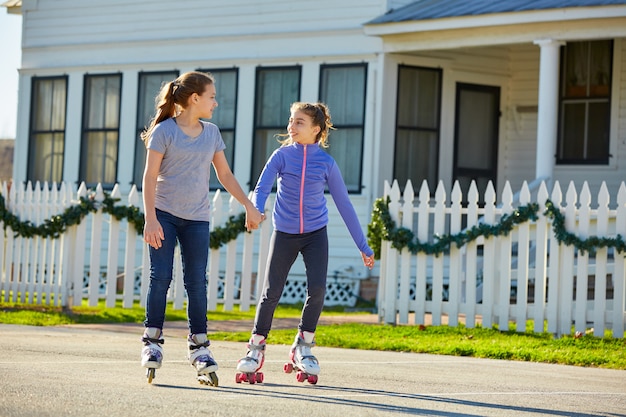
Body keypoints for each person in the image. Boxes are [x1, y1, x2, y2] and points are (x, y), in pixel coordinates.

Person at [236, 102, 375, 384]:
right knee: (271, 291)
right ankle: (256, 347)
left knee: (318, 290)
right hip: (285, 233)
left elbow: (345, 205)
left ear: (316, 130)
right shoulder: (282, 155)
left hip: (315, 234)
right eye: (291, 120)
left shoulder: (326, 163)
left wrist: (363, 244)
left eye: (299, 122)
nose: (291, 126)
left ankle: (303, 344)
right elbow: (262, 185)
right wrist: (257, 209)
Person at [139, 71, 264, 385]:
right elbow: (149, 177)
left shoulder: (211, 133)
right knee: (162, 276)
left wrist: (249, 205)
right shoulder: (164, 131)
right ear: (195, 98)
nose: (215, 102)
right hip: (165, 214)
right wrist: (150, 218)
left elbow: (224, 174)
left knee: (197, 282)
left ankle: (199, 347)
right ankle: (152, 341)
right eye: (211, 96)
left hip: (197, 217)